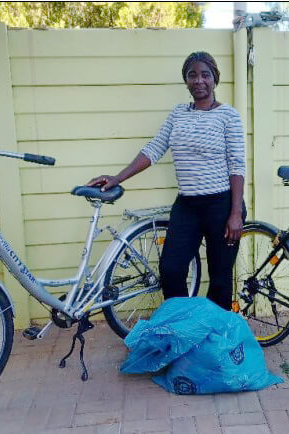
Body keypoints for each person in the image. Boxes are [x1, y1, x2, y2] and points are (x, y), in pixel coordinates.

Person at [86, 51, 246, 310]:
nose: (199, 80)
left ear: (215, 79)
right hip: (187, 206)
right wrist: (117, 177)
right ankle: (181, 324)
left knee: (219, 278)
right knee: (171, 269)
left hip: (222, 205)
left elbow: (237, 165)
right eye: (192, 75)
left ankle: (215, 332)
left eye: (205, 75)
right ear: (186, 81)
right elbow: (154, 149)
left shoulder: (229, 116)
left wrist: (236, 213)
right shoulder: (178, 114)